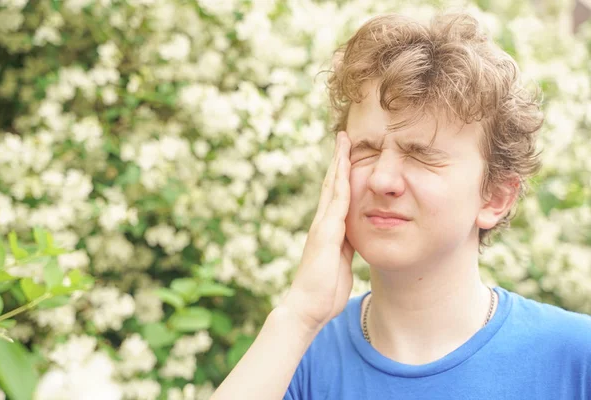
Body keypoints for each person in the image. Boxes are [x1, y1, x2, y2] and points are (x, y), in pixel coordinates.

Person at [211, 12, 591, 400]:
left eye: (421, 155)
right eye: (366, 150)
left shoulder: (577, 360)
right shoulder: (294, 357)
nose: (382, 180)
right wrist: (299, 314)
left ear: (495, 197)